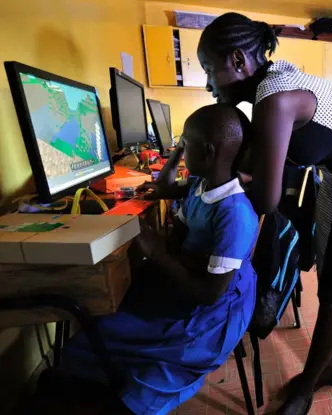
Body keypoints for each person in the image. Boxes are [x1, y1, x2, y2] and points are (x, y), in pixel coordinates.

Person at [197, 12, 332, 414]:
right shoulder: (271, 89)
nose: (207, 83)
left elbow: (266, 201)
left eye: (210, 69)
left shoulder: (275, 99)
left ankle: (308, 387)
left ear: (239, 61)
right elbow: (262, 170)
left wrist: (226, 184)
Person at [57, 104, 259, 414]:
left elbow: (209, 293)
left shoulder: (234, 215)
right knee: (106, 325)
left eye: (185, 144)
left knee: (116, 340)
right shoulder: (199, 186)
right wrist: (179, 152)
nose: (180, 149)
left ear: (207, 152)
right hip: (194, 288)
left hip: (212, 319)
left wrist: (157, 252)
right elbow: (175, 223)